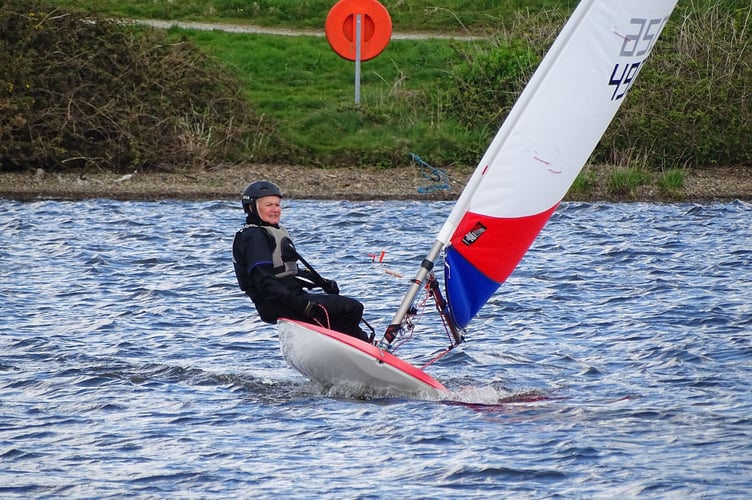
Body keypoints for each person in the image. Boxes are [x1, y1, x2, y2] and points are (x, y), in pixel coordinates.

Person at [232, 180, 371, 343]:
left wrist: (320, 282)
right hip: (276, 303)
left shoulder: (270, 232)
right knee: (352, 308)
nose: (275, 210)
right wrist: (301, 305)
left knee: (342, 312)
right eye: (269, 205)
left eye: (277, 205)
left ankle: (365, 348)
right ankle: (359, 351)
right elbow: (265, 283)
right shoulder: (254, 237)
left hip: (288, 297)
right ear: (251, 208)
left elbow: (288, 271)